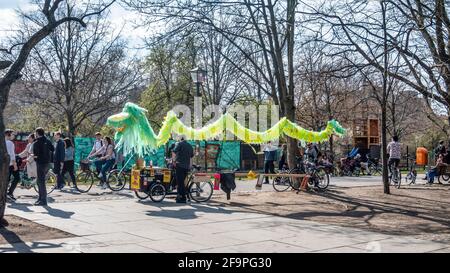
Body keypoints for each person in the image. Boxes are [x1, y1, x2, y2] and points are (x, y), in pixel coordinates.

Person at [33, 127, 54, 206]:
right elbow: (52, 149)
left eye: (35, 133)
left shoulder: (36, 142)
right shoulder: (48, 141)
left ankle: (43, 200)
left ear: (37, 133)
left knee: (41, 182)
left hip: (40, 163)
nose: (35, 134)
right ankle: (40, 198)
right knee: (40, 181)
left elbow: (36, 155)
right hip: (47, 163)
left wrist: (34, 157)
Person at [172, 137, 194, 203]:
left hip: (180, 165)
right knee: (181, 182)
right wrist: (190, 166)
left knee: (180, 183)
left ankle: (183, 198)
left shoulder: (179, 144)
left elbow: (173, 152)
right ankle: (179, 196)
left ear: (181, 139)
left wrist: (173, 161)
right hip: (186, 167)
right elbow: (191, 158)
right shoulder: (190, 146)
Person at [5, 129, 20, 201]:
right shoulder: (10, 143)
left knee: (6, 180)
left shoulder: (3, 142)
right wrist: (15, 165)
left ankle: (8, 193)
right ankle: (9, 193)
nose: (14, 136)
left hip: (5, 164)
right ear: (9, 134)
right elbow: (12, 155)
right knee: (17, 178)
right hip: (10, 164)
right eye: (13, 134)